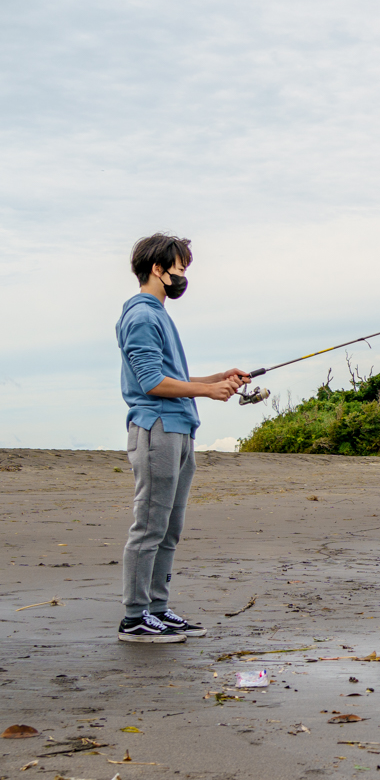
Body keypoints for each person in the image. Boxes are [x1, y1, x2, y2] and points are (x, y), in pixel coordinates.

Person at [116, 234, 249, 643]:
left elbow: (171, 376)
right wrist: (208, 392)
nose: (183, 275)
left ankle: (157, 607)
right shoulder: (141, 315)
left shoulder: (157, 314)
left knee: (169, 528)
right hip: (156, 429)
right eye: (180, 266)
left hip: (178, 428)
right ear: (158, 268)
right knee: (150, 526)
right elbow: (151, 382)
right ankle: (135, 618)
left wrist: (217, 379)